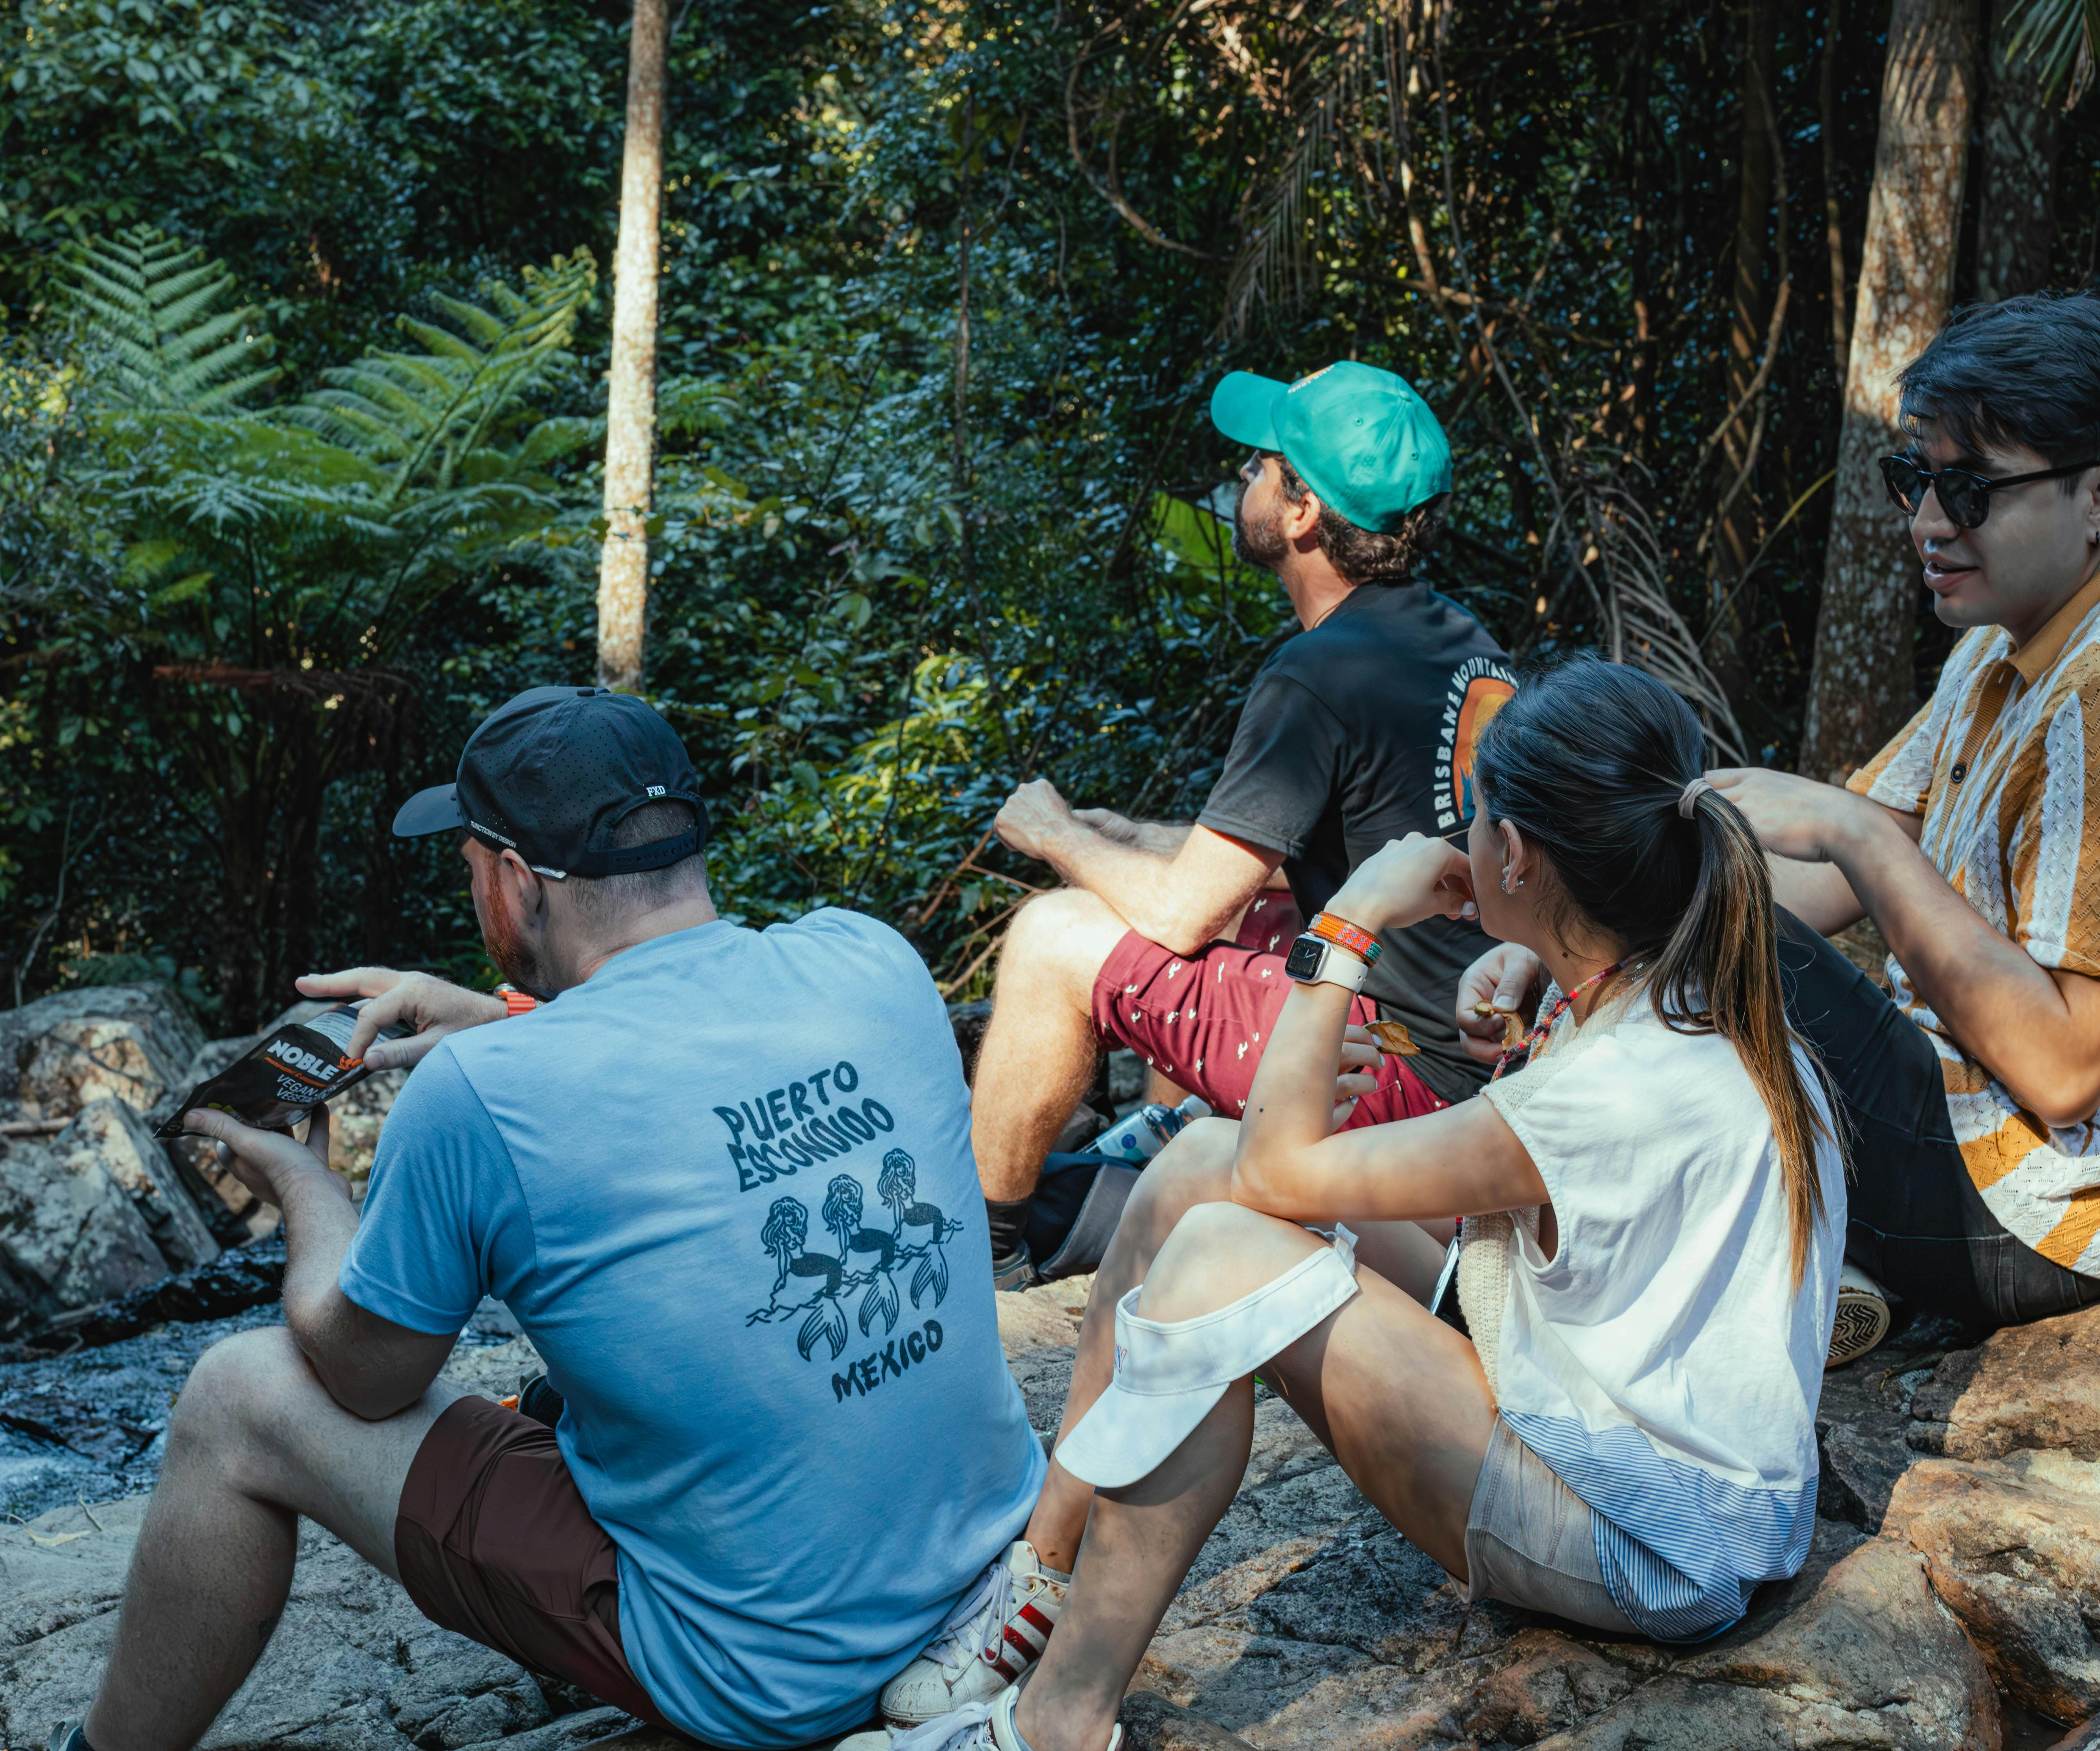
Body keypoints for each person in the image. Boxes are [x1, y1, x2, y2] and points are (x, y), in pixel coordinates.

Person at [849, 658, 1848, 1751]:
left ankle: (1055, 1724)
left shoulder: (1610, 1089)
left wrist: (1353, 915)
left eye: (1476, 819)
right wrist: (1530, 966)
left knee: (1221, 1254)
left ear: (1515, 854)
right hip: (1603, 1411)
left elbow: (1281, 1175)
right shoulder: (1679, 987)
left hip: (1645, 1540)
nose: (1460, 839)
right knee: (1198, 1161)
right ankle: (1042, 1573)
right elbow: (1262, 1155)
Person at [52, 686, 1045, 1751]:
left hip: (776, 1677)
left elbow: (364, 1377)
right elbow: (689, 1083)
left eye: (473, 862)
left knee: (236, 1395)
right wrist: (508, 1021)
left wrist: (309, 1191)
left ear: (518, 881)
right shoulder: (869, 959)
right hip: (992, 1577)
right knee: (570, 1378)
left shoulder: (481, 1096)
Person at [1696, 292, 2100, 1345]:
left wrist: (1854, 833)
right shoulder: (2006, 645)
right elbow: (1821, 879)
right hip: (1966, 1117)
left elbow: (2067, 1070)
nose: (1926, 522)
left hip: (2044, 1204)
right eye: (1915, 479)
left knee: (1707, 944)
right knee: (1683, 924)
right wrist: (1588, 934)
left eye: (1969, 489)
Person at [978, 361, 1516, 1287]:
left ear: (1302, 511)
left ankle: (988, 1254)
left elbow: (1184, 913)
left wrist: (1055, 834)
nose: (1243, 478)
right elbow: (1336, 843)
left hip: (1401, 1075)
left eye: (1260, 465)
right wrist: (1137, 837)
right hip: (1477, 1052)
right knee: (1240, 905)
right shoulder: (1460, 639)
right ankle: (1170, 1138)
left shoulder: (1316, 674)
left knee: (1051, 935)